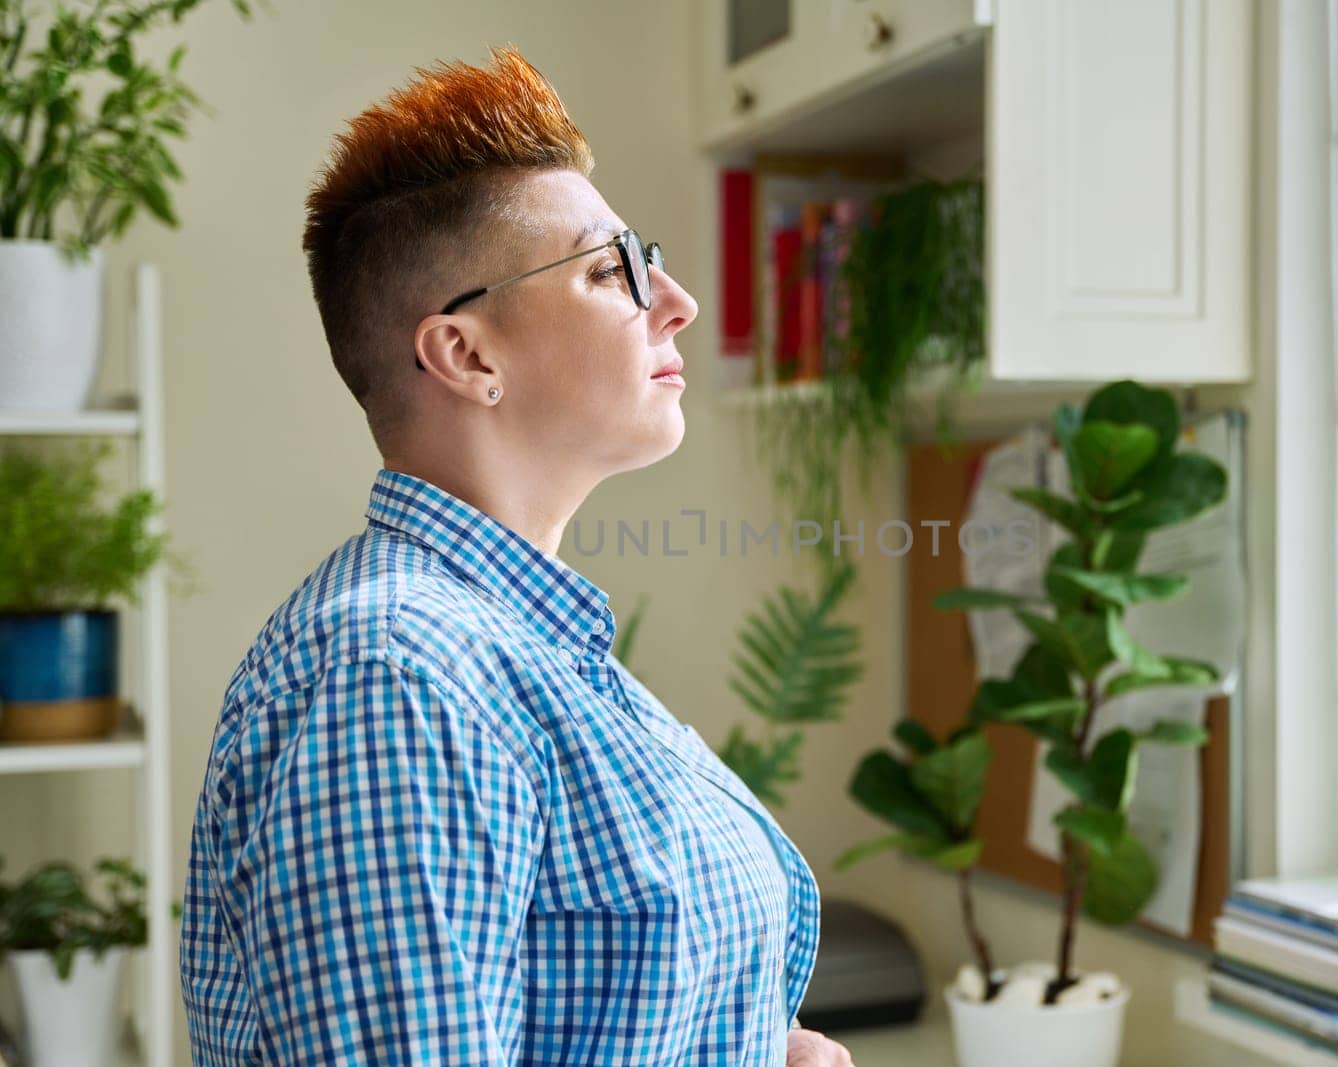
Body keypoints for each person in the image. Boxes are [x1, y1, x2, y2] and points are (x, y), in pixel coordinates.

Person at [178, 45, 854, 1066]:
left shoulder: (512, 649)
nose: (677, 303)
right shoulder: (395, 679)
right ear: (466, 353)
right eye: (609, 269)